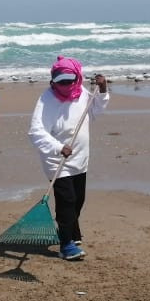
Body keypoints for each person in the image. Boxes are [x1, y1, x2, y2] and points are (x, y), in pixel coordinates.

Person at [27, 56, 109, 261]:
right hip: (57, 159)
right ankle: (66, 245)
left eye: (69, 80)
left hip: (80, 157)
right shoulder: (47, 99)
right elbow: (36, 131)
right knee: (67, 200)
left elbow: (96, 110)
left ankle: (72, 231)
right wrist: (58, 147)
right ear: (53, 81)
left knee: (78, 199)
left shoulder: (82, 93)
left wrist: (104, 89)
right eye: (61, 81)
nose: (65, 85)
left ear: (77, 78)